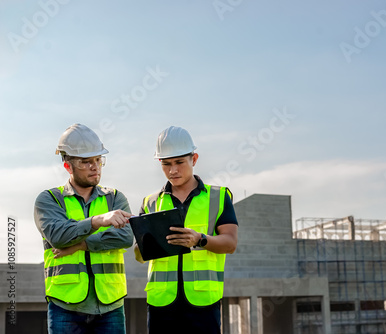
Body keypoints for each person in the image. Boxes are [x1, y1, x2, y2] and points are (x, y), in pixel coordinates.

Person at [134, 126, 238, 334]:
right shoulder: (150, 202)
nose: (173, 170)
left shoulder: (218, 197)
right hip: (161, 303)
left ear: (194, 159)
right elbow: (138, 255)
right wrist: (148, 243)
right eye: (166, 164)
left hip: (203, 302)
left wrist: (200, 239)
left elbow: (230, 243)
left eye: (179, 162)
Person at [34, 123, 134, 334]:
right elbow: (58, 236)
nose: (95, 167)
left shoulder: (115, 197)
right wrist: (97, 221)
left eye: (98, 160)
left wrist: (81, 244)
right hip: (65, 306)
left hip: (111, 304)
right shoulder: (50, 200)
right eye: (86, 162)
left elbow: (125, 237)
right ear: (68, 166)